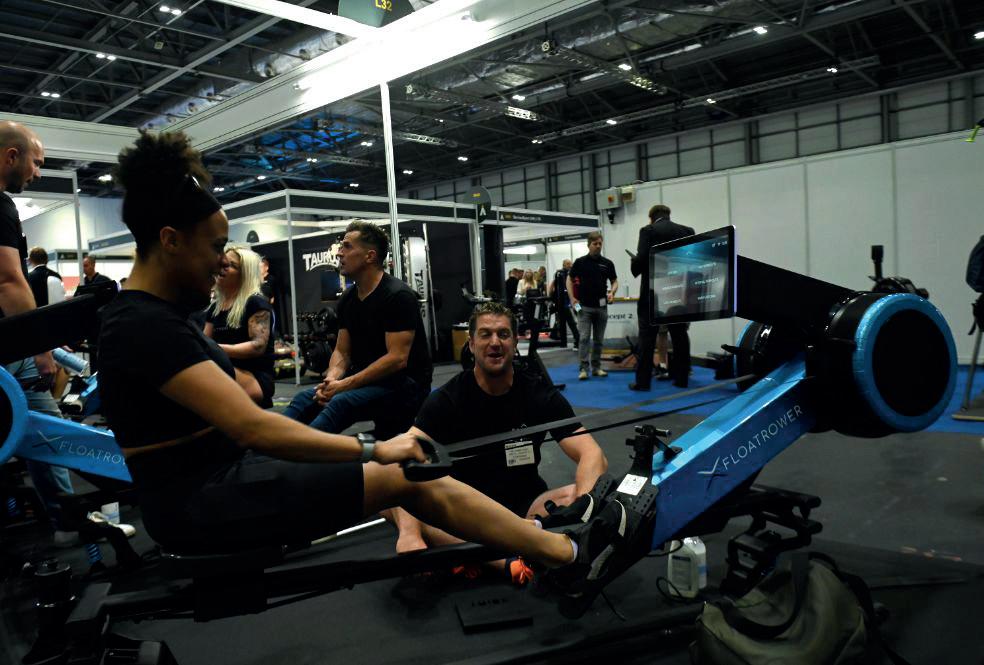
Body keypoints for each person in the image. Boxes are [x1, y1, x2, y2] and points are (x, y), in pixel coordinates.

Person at [97, 130, 628, 582]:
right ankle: (568, 553)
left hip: (242, 469)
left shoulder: (158, 319)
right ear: (170, 240)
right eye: (216, 248)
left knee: (402, 469)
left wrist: (358, 433)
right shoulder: (145, 323)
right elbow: (254, 426)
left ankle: (548, 547)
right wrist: (374, 448)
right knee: (403, 473)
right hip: (205, 500)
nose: (221, 264)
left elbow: (265, 409)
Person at [387, 302, 609, 582]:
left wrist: (585, 508)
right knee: (407, 503)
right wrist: (409, 533)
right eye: (485, 334)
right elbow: (398, 463)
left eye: (503, 334)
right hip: (466, 516)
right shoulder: (447, 400)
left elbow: (592, 453)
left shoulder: (538, 393)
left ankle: (484, 553)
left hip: (526, 510)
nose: (495, 342)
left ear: (515, 343)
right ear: (471, 344)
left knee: (593, 490)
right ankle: (506, 559)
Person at [281, 221, 432, 439]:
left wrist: (343, 386)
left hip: (406, 385)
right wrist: (331, 380)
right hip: (369, 381)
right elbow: (342, 351)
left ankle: (303, 451)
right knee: (305, 398)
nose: (339, 253)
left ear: (370, 256)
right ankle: (271, 445)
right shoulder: (348, 299)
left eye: (347, 246)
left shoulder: (398, 296)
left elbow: (397, 359)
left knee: (341, 402)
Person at [0, 120, 76, 545]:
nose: (38, 173)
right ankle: (68, 525)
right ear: (12, 156)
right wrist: (42, 350)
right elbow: (8, 281)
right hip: (11, 352)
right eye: (36, 162)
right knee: (52, 433)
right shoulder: (0, 205)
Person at [630, 204, 695, 390]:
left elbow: (642, 260)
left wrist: (634, 262)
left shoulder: (648, 231)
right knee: (680, 335)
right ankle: (682, 379)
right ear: (668, 214)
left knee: (647, 338)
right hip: (678, 291)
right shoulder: (687, 231)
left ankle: (643, 382)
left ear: (651, 217)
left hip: (653, 293)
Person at [204, 247, 275, 407]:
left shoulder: (255, 303)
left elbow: (257, 346)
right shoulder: (215, 307)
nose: (223, 267)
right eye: (223, 263)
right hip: (226, 371)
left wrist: (216, 349)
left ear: (244, 274)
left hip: (255, 378)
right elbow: (205, 341)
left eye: (231, 265)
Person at [567, 232, 618, 381]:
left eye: (600, 244)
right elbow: (569, 280)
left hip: (602, 307)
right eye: (595, 244)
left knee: (599, 340)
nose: (598, 246)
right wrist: (572, 298)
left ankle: (596, 368)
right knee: (584, 338)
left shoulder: (607, 263)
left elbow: (615, 281)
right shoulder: (580, 262)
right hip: (583, 307)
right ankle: (584, 369)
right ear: (588, 245)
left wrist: (612, 292)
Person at [548, 259, 579, 349]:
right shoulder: (559, 274)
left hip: (575, 301)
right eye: (568, 264)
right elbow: (552, 287)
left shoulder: (574, 274)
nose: (570, 265)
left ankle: (578, 340)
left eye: (571, 264)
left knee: (581, 316)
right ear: (564, 265)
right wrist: (551, 298)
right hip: (565, 304)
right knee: (571, 322)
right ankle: (577, 340)